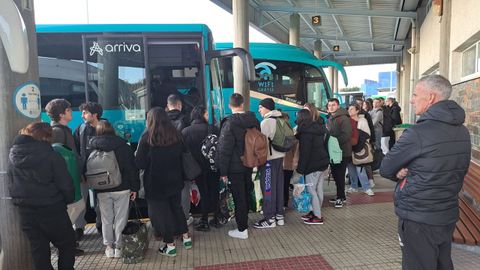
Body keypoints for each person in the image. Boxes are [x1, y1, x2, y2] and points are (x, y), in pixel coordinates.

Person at [380, 75, 471, 270]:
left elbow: (386, 167)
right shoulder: (462, 130)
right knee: (442, 263)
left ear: (430, 98)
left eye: (414, 94)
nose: (411, 100)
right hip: (447, 213)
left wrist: (398, 173)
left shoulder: (417, 133)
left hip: (418, 217)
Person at [8, 122, 76, 270]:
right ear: (46, 136)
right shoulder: (51, 155)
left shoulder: (13, 154)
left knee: (39, 249)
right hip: (52, 209)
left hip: (25, 211)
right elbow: (65, 183)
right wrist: (68, 199)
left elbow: (11, 181)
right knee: (67, 243)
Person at [135, 107, 192, 257]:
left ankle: (170, 245)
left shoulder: (147, 137)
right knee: (177, 208)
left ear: (150, 120)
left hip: (155, 183)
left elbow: (140, 163)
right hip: (175, 179)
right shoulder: (176, 134)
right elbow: (184, 154)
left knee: (162, 214)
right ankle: (186, 238)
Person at [88, 120, 140, 258]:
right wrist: (135, 188)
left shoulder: (92, 146)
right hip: (122, 187)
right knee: (121, 218)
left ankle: (108, 247)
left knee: (106, 219)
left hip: (101, 189)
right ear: (112, 130)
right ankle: (119, 247)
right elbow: (131, 169)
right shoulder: (122, 145)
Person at [216, 93, 260, 239]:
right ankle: (244, 222)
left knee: (239, 197)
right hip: (249, 163)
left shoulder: (229, 123)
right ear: (242, 104)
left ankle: (242, 229)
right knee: (246, 194)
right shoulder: (253, 120)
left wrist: (223, 171)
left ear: (230, 106)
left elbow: (224, 149)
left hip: (235, 168)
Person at [45, 98, 84, 254]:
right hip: (66, 180)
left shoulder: (64, 129)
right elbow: (58, 159)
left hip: (71, 177)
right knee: (73, 208)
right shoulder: (57, 132)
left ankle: (65, 241)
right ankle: (62, 242)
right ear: (61, 114)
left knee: (76, 207)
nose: (71, 112)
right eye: (68, 110)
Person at [181, 106, 221, 231]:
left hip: (196, 168)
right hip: (212, 166)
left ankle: (204, 220)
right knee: (214, 191)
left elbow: (183, 151)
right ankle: (216, 218)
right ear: (203, 115)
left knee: (203, 192)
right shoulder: (213, 128)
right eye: (207, 113)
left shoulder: (185, 132)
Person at [254, 98, 286, 228]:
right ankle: (279, 216)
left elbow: (261, 145)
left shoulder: (266, 122)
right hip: (279, 158)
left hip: (268, 161)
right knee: (278, 187)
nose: (259, 110)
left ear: (267, 108)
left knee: (268, 189)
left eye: (260, 107)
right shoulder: (281, 120)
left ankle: (269, 219)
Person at [73, 102, 103, 236]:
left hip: (102, 171)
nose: (82, 115)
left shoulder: (105, 128)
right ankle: (79, 227)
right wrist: (80, 170)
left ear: (94, 114)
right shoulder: (80, 129)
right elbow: (76, 152)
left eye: (85, 112)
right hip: (84, 172)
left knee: (102, 201)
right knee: (81, 201)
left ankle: (101, 224)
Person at [295, 109, 329, 225]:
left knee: (311, 190)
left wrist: (301, 169)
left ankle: (317, 216)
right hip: (322, 162)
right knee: (317, 189)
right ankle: (314, 211)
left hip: (313, 165)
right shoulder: (316, 128)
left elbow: (305, 153)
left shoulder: (306, 133)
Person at [166, 94, 192, 224]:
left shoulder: (161, 121)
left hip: (167, 161)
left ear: (168, 106)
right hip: (181, 160)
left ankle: (171, 217)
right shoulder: (186, 119)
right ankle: (185, 217)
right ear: (179, 105)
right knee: (184, 189)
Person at [326, 98, 352, 208]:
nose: (331, 107)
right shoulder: (332, 118)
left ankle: (340, 198)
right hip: (335, 151)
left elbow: (347, 134)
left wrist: (334, 142)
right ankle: (340, 196)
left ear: (338, 106)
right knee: (336, 175)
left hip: (342, 152)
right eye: (329, 105)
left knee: (340, 175)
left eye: (333, 105)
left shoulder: (343, 118)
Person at [346, 103, 374, 196]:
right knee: (351, 168)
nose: (349, 111)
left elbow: (367, 134)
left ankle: (366, 187)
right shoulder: (347, 120)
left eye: (352, 109)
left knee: (360, 168)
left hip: (359, 148)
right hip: (349, 148)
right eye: (349, 109)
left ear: (357, 111)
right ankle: (354, 186)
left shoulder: (362, 121)